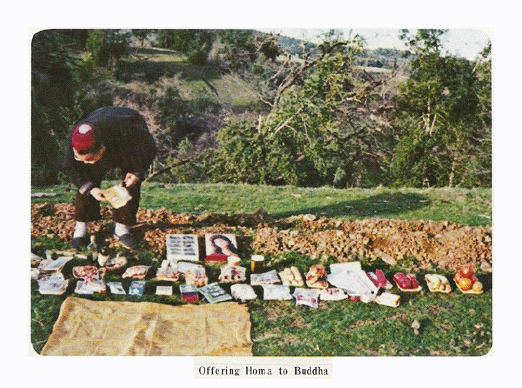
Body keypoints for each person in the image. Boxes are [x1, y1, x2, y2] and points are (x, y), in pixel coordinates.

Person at [62, 106, 156, 249]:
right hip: (100, 118)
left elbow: (149, 147)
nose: (88, 163)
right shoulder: (73, 140)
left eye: (91, 159)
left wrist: (137, 172)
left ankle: (121, 228)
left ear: (102, 150)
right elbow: (70, 169)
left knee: (130, 184)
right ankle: (80, 230)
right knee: (86, 180)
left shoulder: (132, 133)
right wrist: (91, 189)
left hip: (127, 138)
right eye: (81, 159)